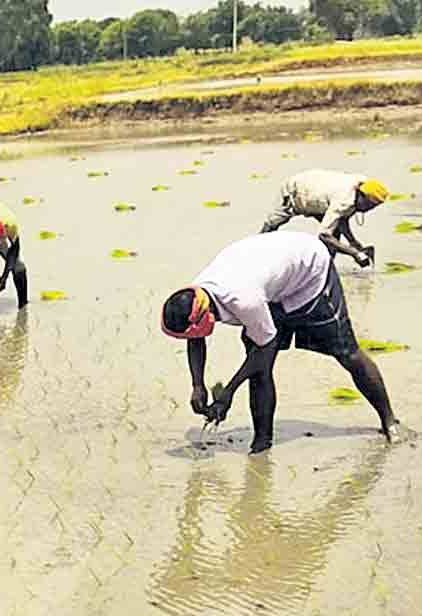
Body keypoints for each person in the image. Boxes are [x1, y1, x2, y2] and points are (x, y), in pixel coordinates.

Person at [161, 231, 399, 455]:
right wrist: (197, 385)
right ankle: (261, 443)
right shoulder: (196, 292)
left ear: (206, 319)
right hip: (274, 280)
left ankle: (389, 420)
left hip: (310, 272)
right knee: (260, 370)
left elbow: (264, 348)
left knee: (346, 352)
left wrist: (228, 394)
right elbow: (195, 339)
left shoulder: (243, 300)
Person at [261, 170, 390, 268]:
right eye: (368, 204)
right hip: (297, 191)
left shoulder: (362, 186)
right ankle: (257, 254)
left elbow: (342, 218)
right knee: (271, 226)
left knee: (335, 232)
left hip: (319, 192)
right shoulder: (344, 199)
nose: (368, 209)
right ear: (361, 195)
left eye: (373, 207)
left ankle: (326, 268)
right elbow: (323, 235)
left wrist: (355, 243)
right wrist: (355, 253)